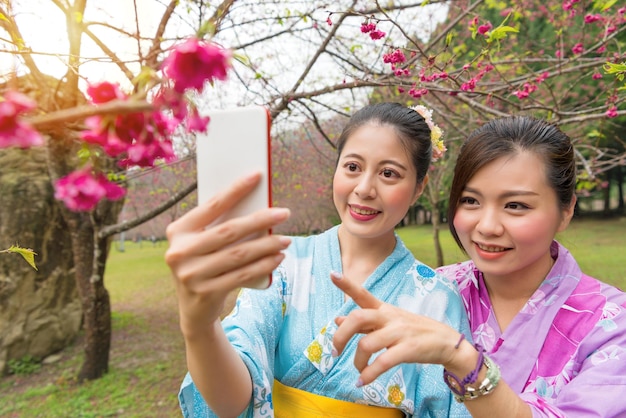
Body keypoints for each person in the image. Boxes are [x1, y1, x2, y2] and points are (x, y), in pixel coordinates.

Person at [165, 102, 473, 417]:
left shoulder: (437, 299)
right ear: (336, 169)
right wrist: (200, 325)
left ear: (419, 187)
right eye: (353, 167)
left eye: (389, 173)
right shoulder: (282, 264)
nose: (364, 188)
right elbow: (233, 402)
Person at [331, 116, 626, 417]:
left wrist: (460, 360)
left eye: (515, 205)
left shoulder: (612, 325)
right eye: (471, 201)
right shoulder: (428, 290)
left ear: (566, 211)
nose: (486, 227)